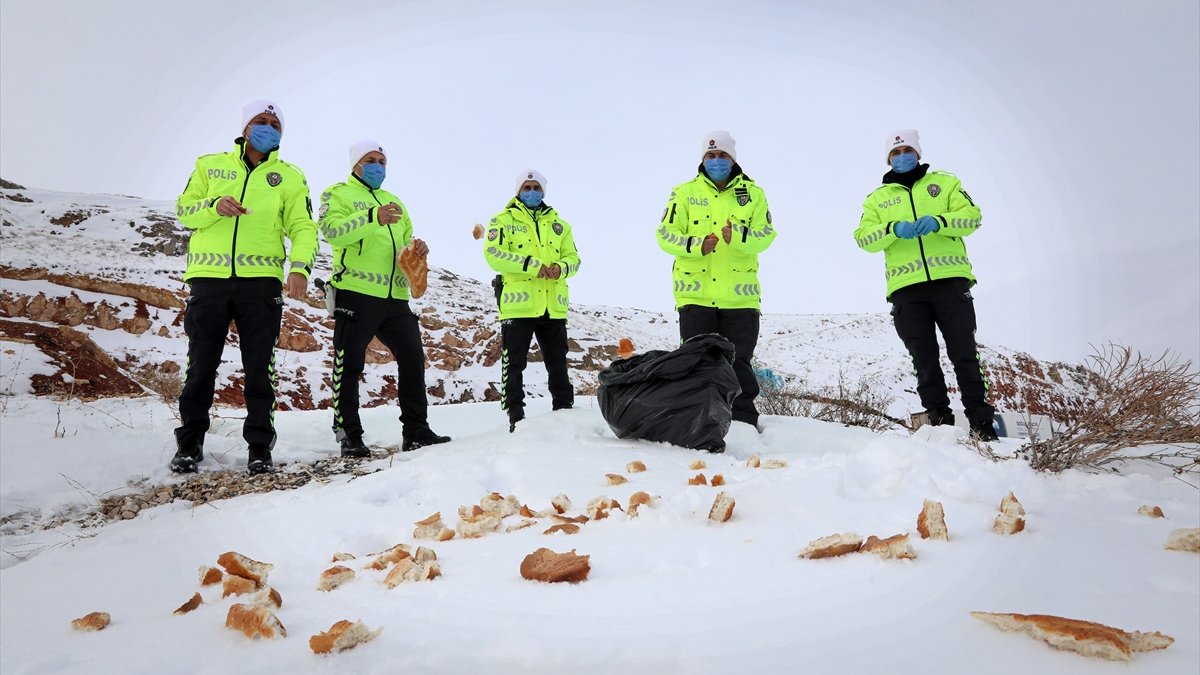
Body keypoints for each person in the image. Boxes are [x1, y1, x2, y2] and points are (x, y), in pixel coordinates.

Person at [171, 100, 318, 475]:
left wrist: (299, 267)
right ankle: (190, 444)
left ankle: (259, 447)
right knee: (201, 365)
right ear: (245, 127)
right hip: (209, 281)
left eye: (275, 123)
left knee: (259, 368)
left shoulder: (289, 176)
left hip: (261, 284)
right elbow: (184, 211)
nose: (268, 127)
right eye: (261, 121)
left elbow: (303, 227)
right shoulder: (210, 165)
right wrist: (214, 206)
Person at [854, 129, 998, 441]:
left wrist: (940, 222)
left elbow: (972, 217)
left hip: (950, 283)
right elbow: (863, 238)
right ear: (888, 159)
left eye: (907, 150)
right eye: (895, 152)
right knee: (924, 359)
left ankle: (982, 425)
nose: (901, 156)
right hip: (907, 291)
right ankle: (940, 424)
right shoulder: (877, 199)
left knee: (965, 353)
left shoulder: (945, 183)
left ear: (918, 153)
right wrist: (893, 228)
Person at [318, 140, 451, 456]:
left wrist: (417, 250)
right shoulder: (337, 194)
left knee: (413, 357)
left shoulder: (395, 202)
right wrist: (371, 218)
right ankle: (348, 435)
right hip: (355, 292)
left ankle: (416, 431)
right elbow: (332, 232)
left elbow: (404, 245)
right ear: (356, 165)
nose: (378, 165)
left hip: (395, 297)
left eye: (382, 160)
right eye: (371, 159)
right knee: (348, 363)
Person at [656, 131, 777, 431]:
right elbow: (665, 234)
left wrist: (737, 237)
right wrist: (697, 245)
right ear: (702, 159)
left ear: (733, 158)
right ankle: (695, 426)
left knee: (739, 365)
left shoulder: (753, 194)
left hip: (740, 297)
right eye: (710, 156)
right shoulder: (683, 193)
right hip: (695, 296)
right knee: (697, 365)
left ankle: (743, 426)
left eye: (722, 155)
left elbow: (766, 235)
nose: (716, 160)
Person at [483, 170, 581, 432]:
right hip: (518, 304)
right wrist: (530, 265)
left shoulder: (560, 224)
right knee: (514, 363)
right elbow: (493, 255)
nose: (532, 191)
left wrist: (561, 267)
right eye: (527, 187)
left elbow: (574, 259)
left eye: (536, 187)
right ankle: (515, 417)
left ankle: (564, 410)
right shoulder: (502, 220)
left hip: (552, 304)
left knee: (557, 361)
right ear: (518, 191)